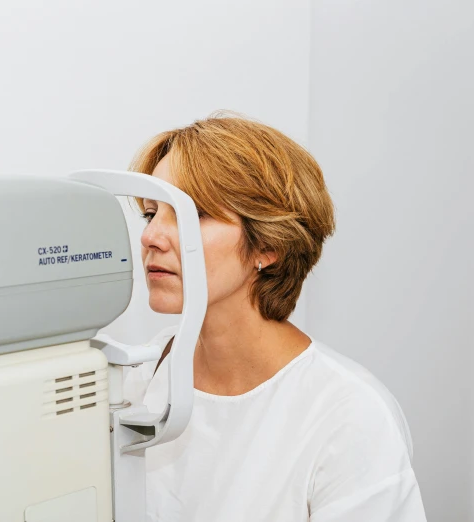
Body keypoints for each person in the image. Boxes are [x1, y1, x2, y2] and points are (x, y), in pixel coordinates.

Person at [123, 113, 427, 521]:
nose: (150, 237)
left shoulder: (349, 417)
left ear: (268, 246)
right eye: (150, 213)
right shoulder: (137, 380)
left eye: (193, 213)